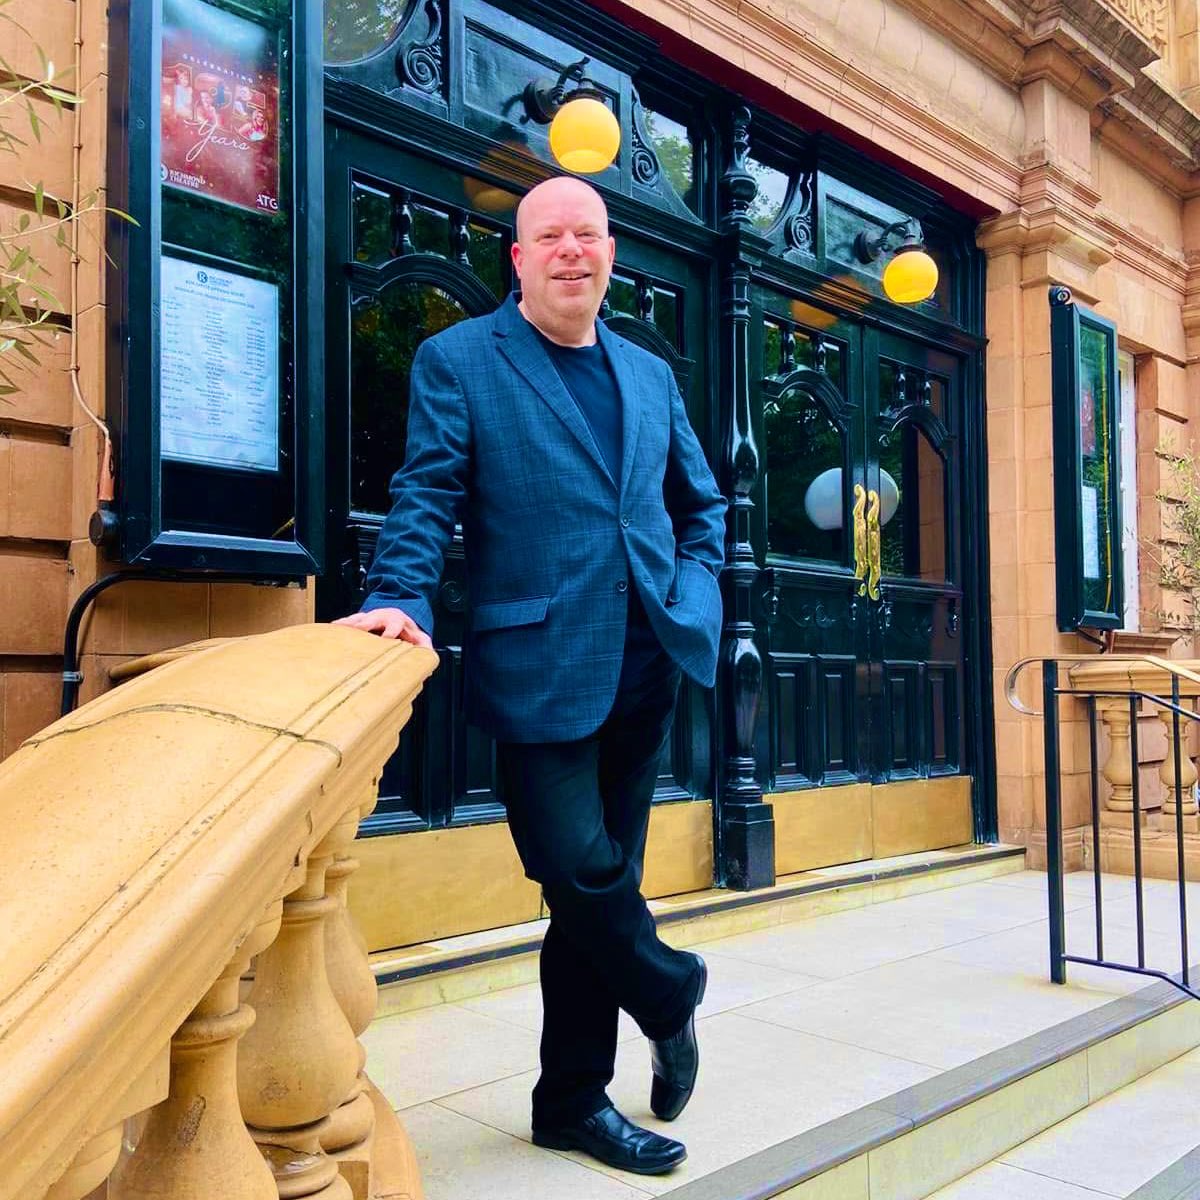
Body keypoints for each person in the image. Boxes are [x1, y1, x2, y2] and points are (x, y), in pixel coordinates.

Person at [334, 176, 726, 1176]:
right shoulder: (461, 360)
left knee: (597, 892)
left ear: (608, 253)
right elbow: (427, 490)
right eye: (547, 235)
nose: (569, 251)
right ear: (518, 258)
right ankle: (671, 993)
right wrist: (403, 596)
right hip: (539, 659)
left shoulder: (649, 375)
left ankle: (571, 1101)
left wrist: (698, 594)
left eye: (585, 234)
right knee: (579, 869)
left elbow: (702, 508)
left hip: (648, 658)